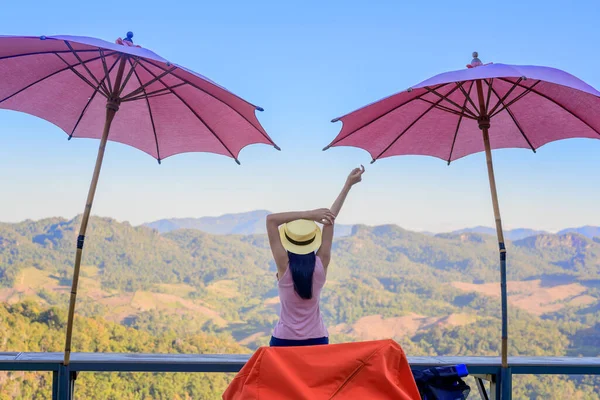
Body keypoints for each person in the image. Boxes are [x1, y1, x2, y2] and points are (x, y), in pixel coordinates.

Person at [266, 166, 365, 347]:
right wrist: (348, 185)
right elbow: (329, 220)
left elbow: (271, 220)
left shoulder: (283, 265)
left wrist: (308, 214)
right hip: (317, 339)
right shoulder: (321, 264)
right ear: (312, 240)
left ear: (288, 240)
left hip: (284, 339)